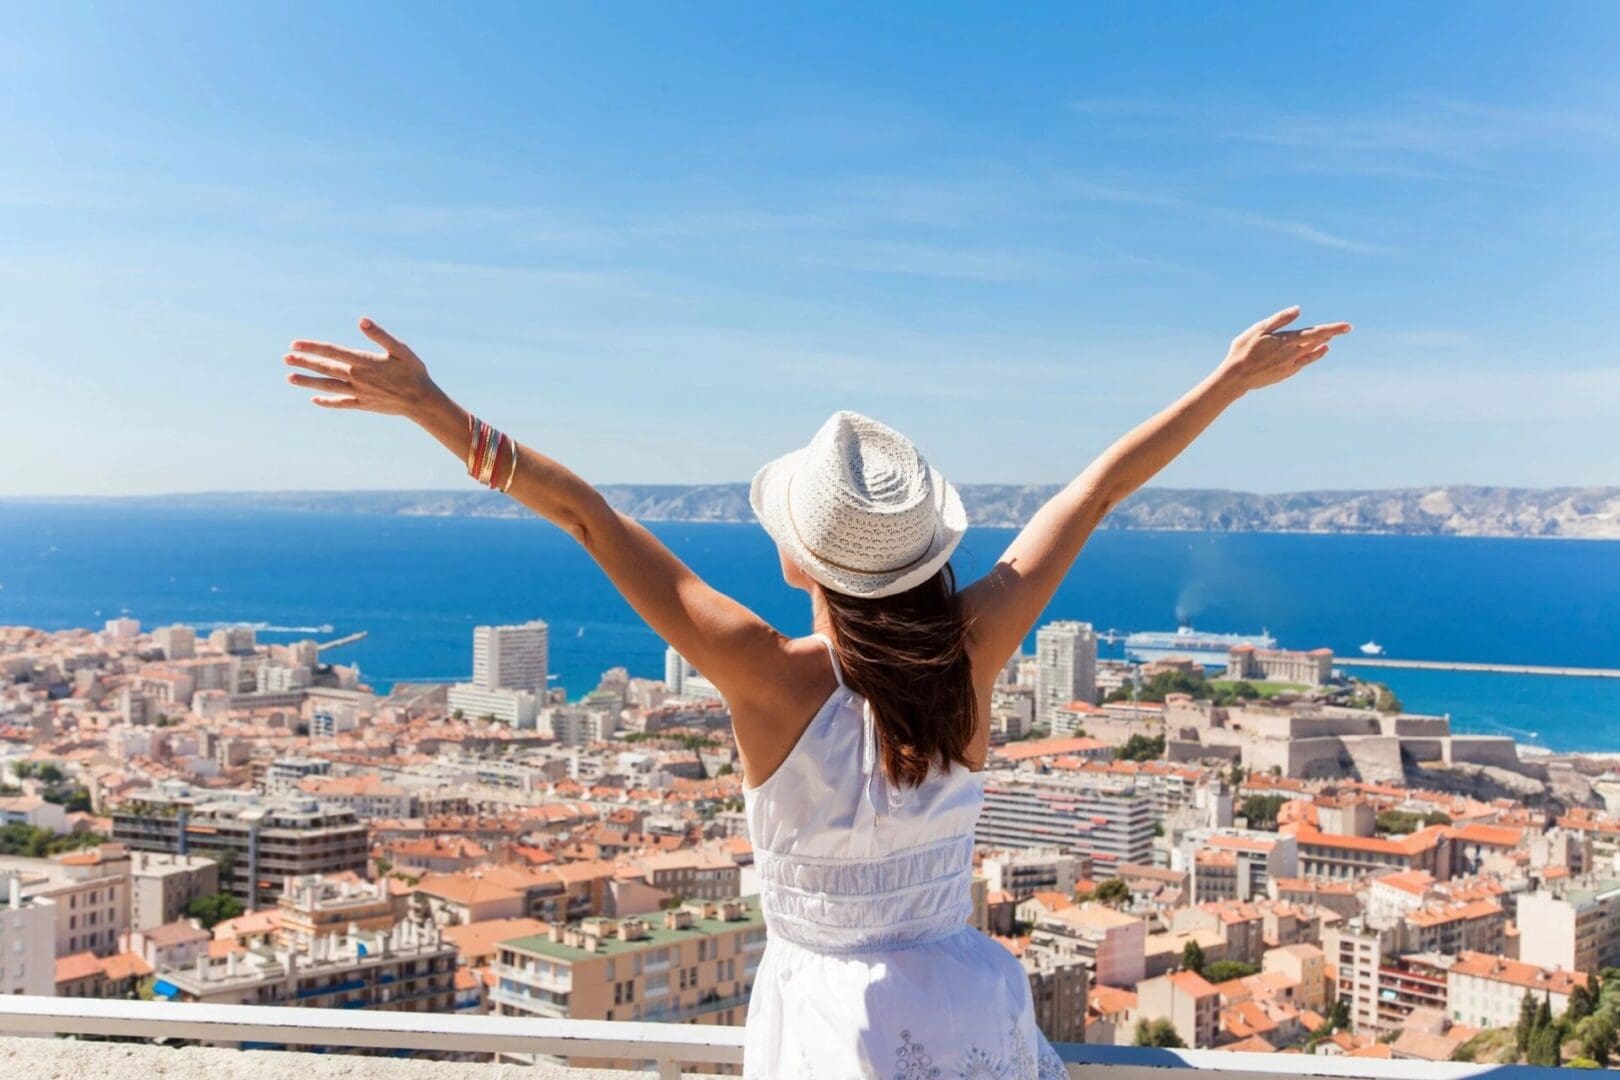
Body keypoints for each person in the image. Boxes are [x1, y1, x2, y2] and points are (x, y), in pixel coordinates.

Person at [282, 306, 1349, 1077]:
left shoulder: (768, 677)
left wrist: (436, 410)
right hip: (973, 1009)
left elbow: (588, 518)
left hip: (834, 1029)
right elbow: (1100, 487)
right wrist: (1230, 378)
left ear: (803, 562)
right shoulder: (973, 652)